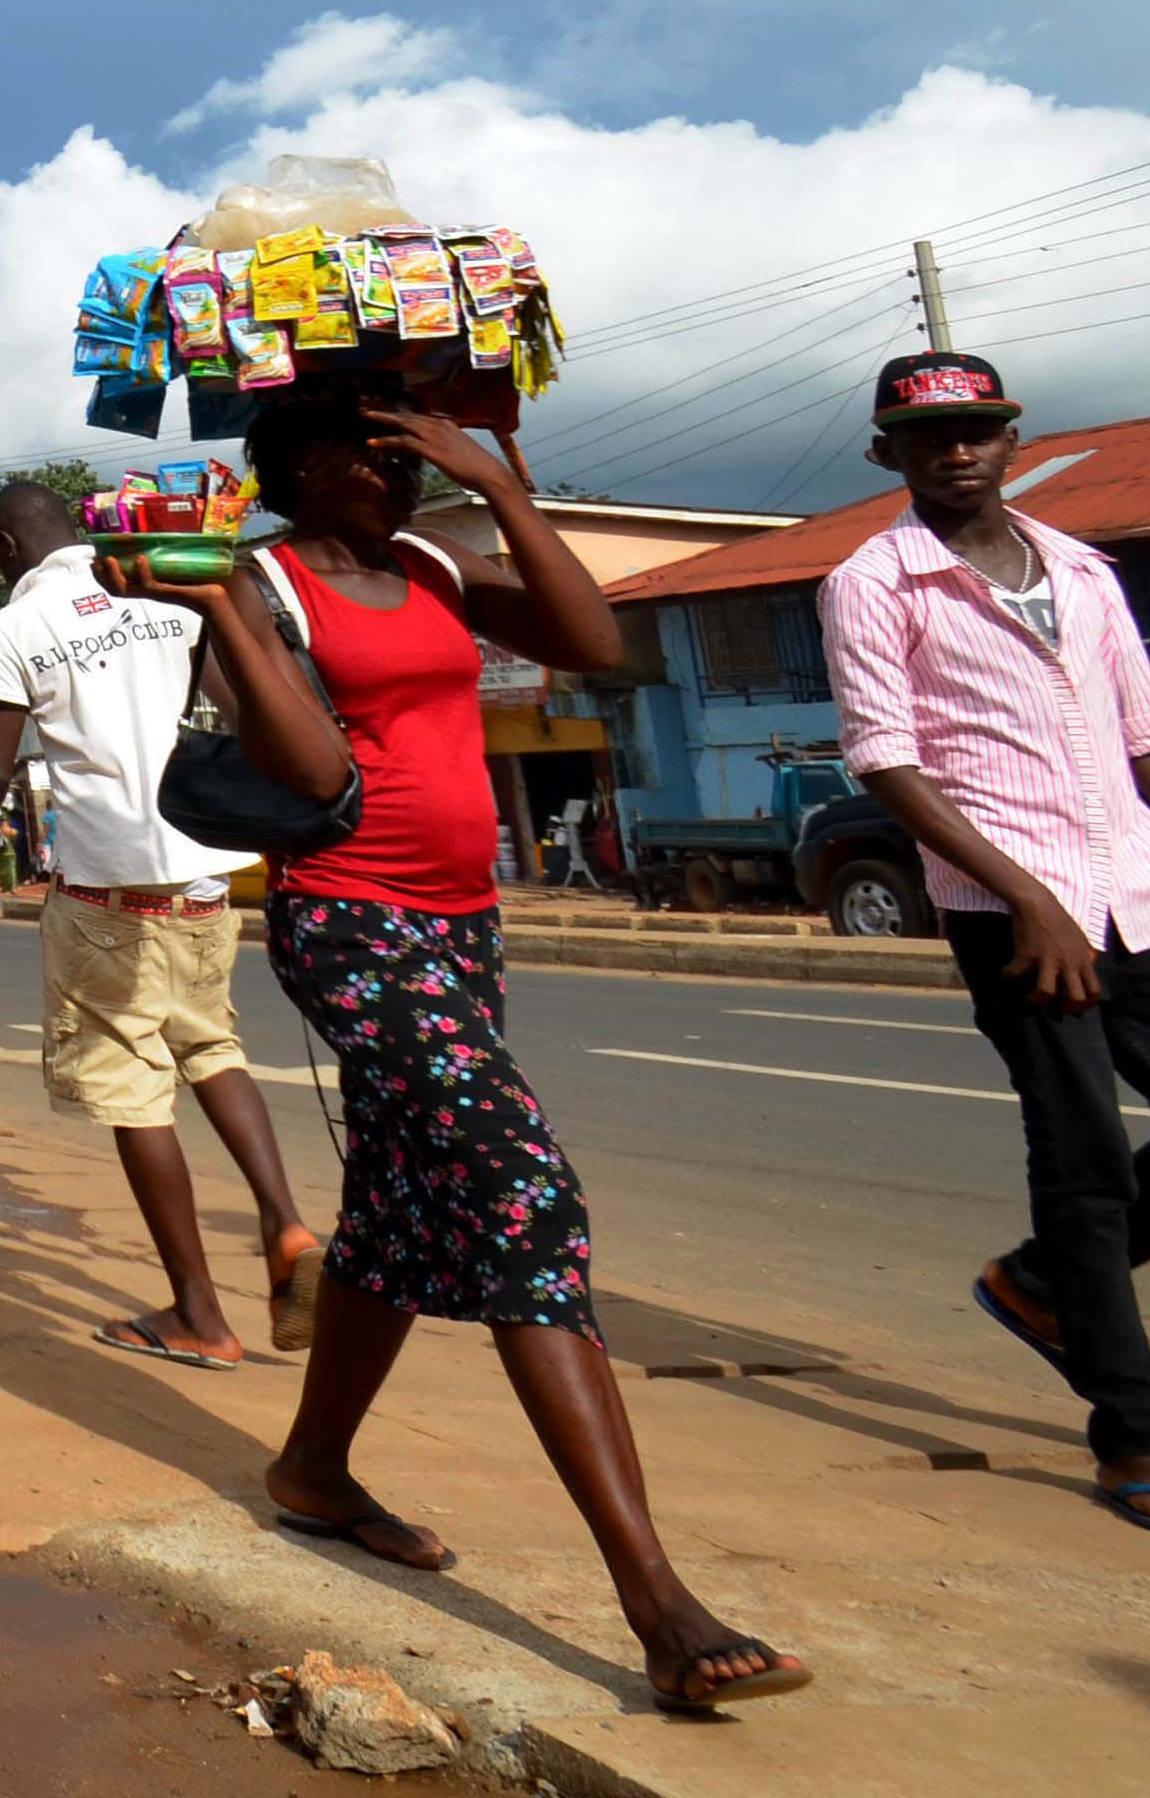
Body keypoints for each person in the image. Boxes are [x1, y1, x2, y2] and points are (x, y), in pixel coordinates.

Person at [106, 393, 804, 1714]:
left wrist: (502, 494)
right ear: (305, 468)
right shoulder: (261, 581)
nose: (397, 466)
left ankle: (313, 1469)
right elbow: (312, 776)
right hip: (355, 927)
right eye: (375, 450)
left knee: (395, 1218)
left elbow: (594, 642)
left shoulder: (430, 563)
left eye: (405, 446)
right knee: (521, 1203)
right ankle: (656, 1600)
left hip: (466, 931)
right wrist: (221, 623)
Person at [818, 352, 1150, 1544]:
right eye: (925, 436)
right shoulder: (872, 582)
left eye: (977, 431)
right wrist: (1021, 893)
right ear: (886, 452)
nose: (954, 451)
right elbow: (882, 758)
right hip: (1014, 915)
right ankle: (1132, 1433)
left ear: (1010, 440)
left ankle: (1040, 1284)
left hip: (1149, 896)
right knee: (1083, 1158)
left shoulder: (1084, 571)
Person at [0, 478, 321, 1369]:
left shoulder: (11, 629)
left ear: (6, 550)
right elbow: (253, 711)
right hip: (203, 877)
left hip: (104, 890)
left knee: (136, 1093)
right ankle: (285, 1221)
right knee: (213, 1047)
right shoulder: (167, 594)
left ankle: (201, 1313)